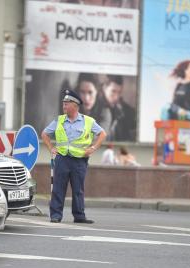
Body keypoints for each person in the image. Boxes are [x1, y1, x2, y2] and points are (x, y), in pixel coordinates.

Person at [42, 89, 107, 224]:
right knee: (58, 188)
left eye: (67, 103)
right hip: (62, 159)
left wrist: (93, 148)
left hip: (79, 161)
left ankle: (79, 216)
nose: (64, 106)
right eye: (63, 103)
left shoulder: (88, 121)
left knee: (78, 189)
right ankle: (55, 215)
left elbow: (102, 134)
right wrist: (51, 148)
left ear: (75, 105)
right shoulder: (59, 120)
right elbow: (44, 134)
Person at [100, 75, 136, 141]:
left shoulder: (125, 110)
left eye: (119, 92)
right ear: (104, 88)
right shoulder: (95, 106)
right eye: (113, 91)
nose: (116, 97)